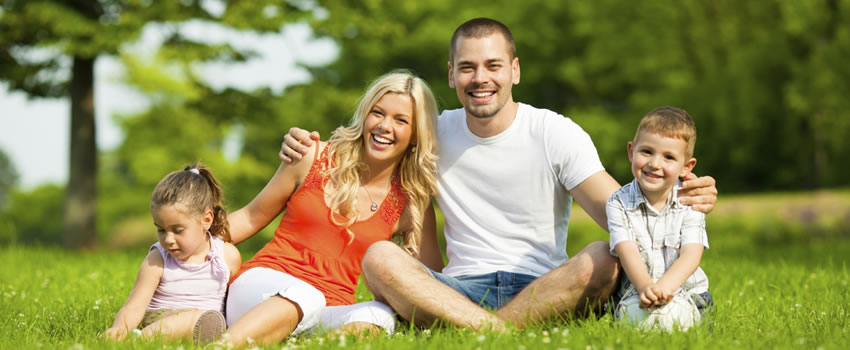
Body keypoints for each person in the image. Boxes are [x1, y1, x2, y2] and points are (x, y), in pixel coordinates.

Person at [280, 18, 718, 330]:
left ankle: (484, 331)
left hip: (546, 285)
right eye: (467, 67)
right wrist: (305, 147)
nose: (480, 78)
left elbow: (622, 211)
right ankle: (496, 331)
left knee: (603, 256)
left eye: (493, 66)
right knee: (379, 258)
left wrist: (682, 195)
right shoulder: (433, 132)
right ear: (451, 75)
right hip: (460, 288)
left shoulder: (554, 132)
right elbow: (368, 146)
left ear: (515, 71)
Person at [223, 70, 441, 346]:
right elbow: (251, 217)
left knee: (380, 315)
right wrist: (187, 241)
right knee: (307, 295)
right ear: (365, 116)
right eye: (378, 113)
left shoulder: (411, 203)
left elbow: (432, 284)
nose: (385, 126)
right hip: (261, 289)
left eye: (401, 120)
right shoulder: (312, 156)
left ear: (415, 135)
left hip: (328, 309)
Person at [104, 164, 242, 345]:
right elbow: (136, 305)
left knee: (207, 320)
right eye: (161, 230)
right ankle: (139, 342)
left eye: (177, 230)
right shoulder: (158, 259)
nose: (168, 239)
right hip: (163, 320)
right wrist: (119, 329)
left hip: (210, 322)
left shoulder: (226, 256)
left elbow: (234, 299)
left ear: (206, 220)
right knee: (191, 318)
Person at [608, 106, 711, 331]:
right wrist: (646, 287)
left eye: (668, 157)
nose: (655, 164)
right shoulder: (618, 203)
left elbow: (691, 254)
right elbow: (627, 251)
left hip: (688, 292)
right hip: (636, 291)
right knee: (634, 325)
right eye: (646, 152)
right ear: (631, 152)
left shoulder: (690, 200)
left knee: (684, 328)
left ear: (686, 166)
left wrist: (664, 288)